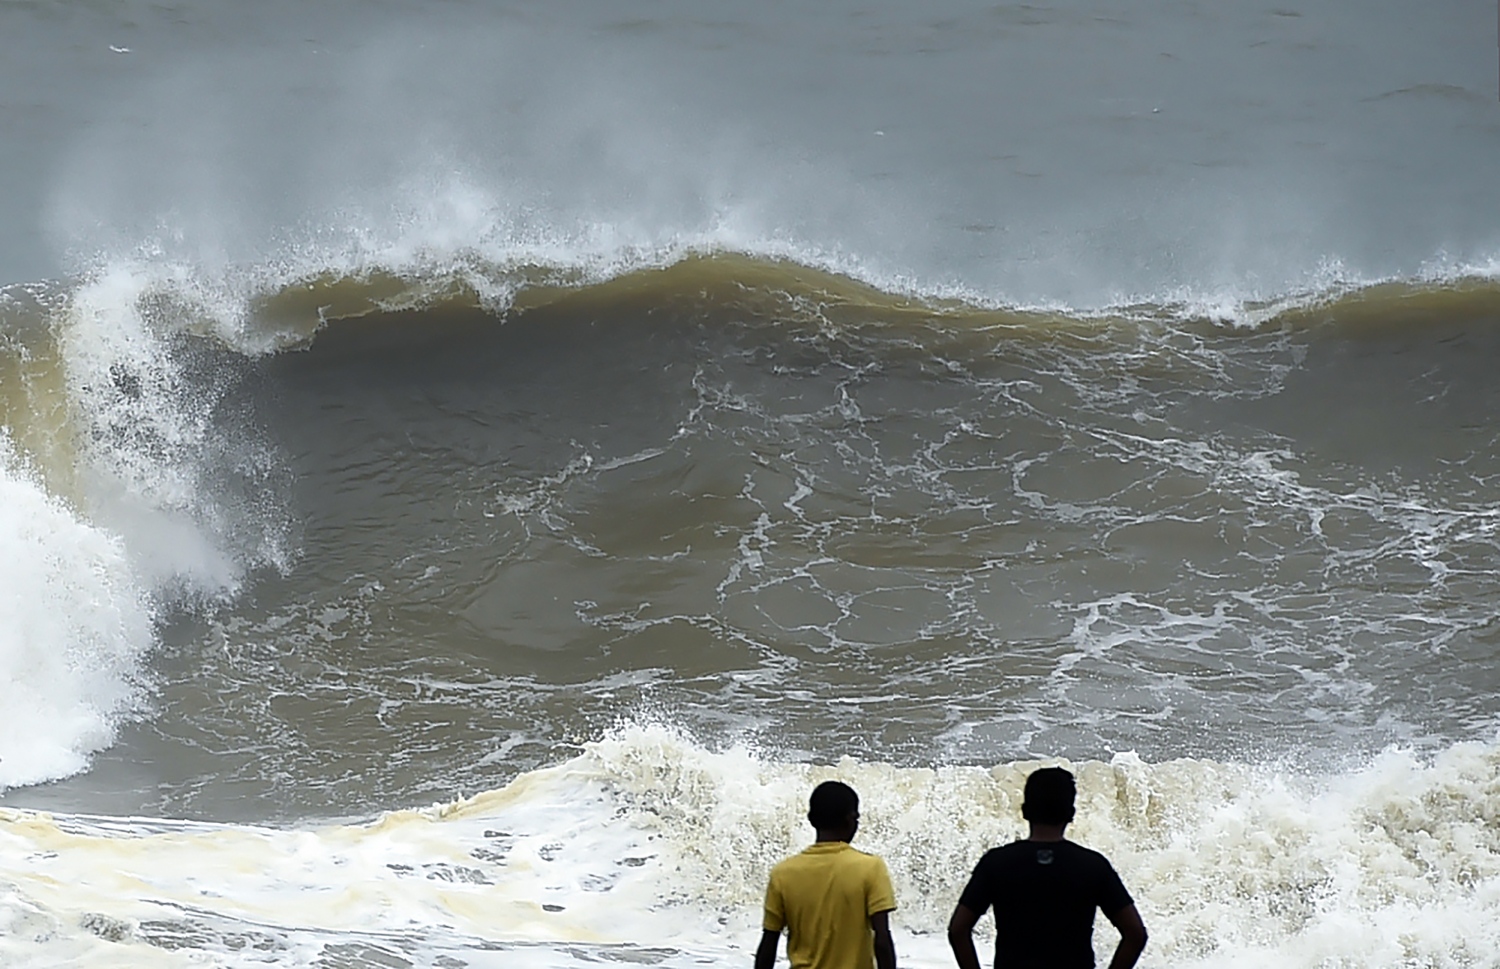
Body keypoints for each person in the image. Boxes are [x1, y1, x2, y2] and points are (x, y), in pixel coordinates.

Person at [947, 766, 1147, 969]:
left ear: (1025, 811)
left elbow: (958, 929)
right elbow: (1135, 933)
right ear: (1071, 814)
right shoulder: (1092, 865)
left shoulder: (997, 862)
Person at [755, 780, 898, 969]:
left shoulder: (783, 873)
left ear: (812, 819)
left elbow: (769, 943)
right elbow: (882, 939)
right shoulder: (870, 868)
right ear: (851, 819)